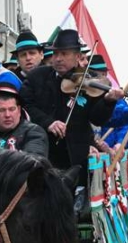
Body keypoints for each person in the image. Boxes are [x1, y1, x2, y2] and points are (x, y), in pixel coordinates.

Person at [23, 29, 121, 176]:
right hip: (44, 154)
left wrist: (108, 102)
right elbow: (25, 105)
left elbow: (97, 118)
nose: (58, 59)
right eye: (56, 54)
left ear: (77, 56)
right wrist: (48, 122)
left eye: (64, 54)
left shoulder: (90, 80)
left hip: (78, 158)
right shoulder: (37, 76)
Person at [0, 83, 49, 157]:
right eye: (1, 110)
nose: (7, 115)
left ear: (19, 110)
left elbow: (35, 161)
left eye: (12, 109)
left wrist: (15, 159)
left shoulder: (34, 132)